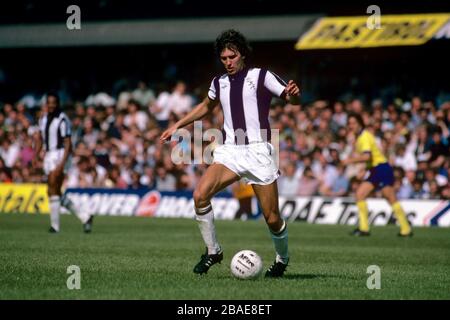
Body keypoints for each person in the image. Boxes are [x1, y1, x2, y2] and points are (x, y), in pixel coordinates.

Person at [160, 29, 300, 277]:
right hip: (231, 151)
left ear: (242, 54)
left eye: (232, 57)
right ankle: (213, 252)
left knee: (272, 218)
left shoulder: (261, 76)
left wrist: (294, 96)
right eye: (224, 58)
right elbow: (206, 106)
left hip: (258, 150)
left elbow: (290, 98)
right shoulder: (219, 82)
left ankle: (282, 259)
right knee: (200, 195)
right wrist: (178, 125)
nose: (228, 62)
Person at [342, 113, 412, 237]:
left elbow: (367, 156)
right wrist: (364, 169)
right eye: (349, 123)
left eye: (353, 123)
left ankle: (406, 228)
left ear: (360, 123)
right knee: (360, 194)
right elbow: (369, 158)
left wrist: (349, 161)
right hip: (375, 169)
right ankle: (364, 229)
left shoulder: (364, 137)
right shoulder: (360, 137)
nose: (351, 126)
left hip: (382, 168)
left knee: (389, 196)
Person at [34, 93, 93, 233]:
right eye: (49, 103)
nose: (51, 105)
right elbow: (40, 138)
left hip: (60, 154)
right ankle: (85, 217)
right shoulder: (43, 119)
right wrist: (36, 155)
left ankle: (55, 227)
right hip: (49, 155)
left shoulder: (62, 119)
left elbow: (68, 143)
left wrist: (62, 163)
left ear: (58, 103)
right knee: (53, 191)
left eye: (54, 103)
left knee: (54, 185)